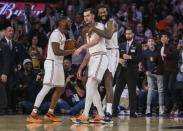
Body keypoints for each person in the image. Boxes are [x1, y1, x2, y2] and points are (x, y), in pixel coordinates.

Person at [26, 17, 75, 123]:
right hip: (52, 63)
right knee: (46, 87)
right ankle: (33, 114)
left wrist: (70, 47)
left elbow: (62, 50)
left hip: (58, 63)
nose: (70, 22)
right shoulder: (55, 34)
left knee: (60, 88)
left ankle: (50, 113)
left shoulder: (63, 34)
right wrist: (72, 51)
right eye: (68, 21)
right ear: (62, 22)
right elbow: (57, 52)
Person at [72, 8, 108, 124]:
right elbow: (89, 52)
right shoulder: (88, 31)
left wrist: (81, 47)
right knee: (92, 87)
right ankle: (101, 115)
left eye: (88, 15)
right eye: (84, 16)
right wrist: (81, 67)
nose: (86, 18)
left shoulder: (100, 26)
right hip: (93, 58)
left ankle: (85, 115)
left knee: (90, 84)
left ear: (93, 16)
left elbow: (96, 41)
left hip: (100, 56)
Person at [88, 4, 119, 123]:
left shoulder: (111, 22)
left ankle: (109, 113)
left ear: (108, 12)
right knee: (94, 81)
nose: (102, 14)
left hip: (112, 53)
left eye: (104, 12)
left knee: (108, 82)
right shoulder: (101, 24)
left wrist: (93, 28)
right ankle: (98, 111)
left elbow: (109, 35)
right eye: (100, 13)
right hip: (103, 53)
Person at [113, 27, 142, 118]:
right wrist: (119, 60)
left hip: (132, 73)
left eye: (129, 33)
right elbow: (115, 57)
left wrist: (130, 57)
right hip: (121, 72)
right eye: (126, 34)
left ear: (133, 34)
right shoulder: (121, 45)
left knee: (132, 93)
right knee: (117, 92)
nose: (128, 35)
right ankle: (114, 112)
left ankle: (132, 113)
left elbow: (140, 58)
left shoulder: (137, 45)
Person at [142, 37, 164, 116]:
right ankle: (148, 108)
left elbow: (161, 63)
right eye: (149, 41)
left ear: (154, 43)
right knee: (150, 90)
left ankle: (161, 107)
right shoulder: (145, 52)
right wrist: (145, 71)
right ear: (147, 43)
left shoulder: (158, 52)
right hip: (150, 73)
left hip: (159, 73)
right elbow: (143, 63)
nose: (150, 42)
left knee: (161, 90)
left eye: (152, 41)